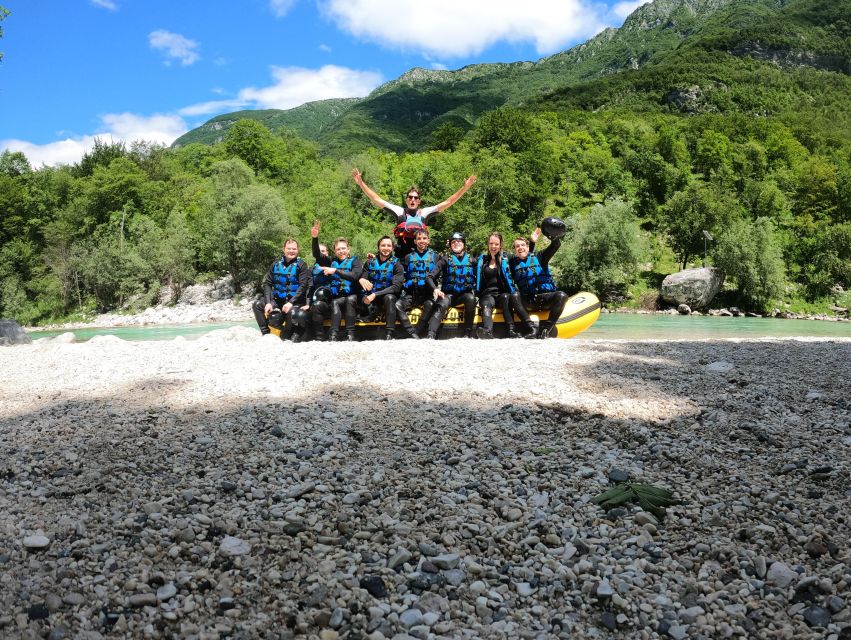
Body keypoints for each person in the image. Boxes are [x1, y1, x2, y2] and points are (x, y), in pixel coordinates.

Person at [351, 168, 477, 258]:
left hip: (420, 254)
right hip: (402, 255)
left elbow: (449, 201)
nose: (412, 200)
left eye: (415, 198)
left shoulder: (424, 213)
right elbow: (376, 199)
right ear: (406, 200)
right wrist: (361, 183)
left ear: (419, 201)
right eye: (410, 197)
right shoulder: (399, 211)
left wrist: (465, 187)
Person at [475, 232, 536, 339]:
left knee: (505, 297)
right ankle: (487, 330)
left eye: (496, 244)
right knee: (485, 304)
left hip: (502, 294)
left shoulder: (507, 258)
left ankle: (511, 330)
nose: (493, 246)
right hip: (487, 295)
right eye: (491, 243)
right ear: (488, 244)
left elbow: (523, 254)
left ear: (500, 245)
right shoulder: (482, 260)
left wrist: (532, 243)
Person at [510, 226, 568, 339]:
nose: (520, 248)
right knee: (513, 295)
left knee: (562, 295)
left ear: (528, 247)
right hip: (529, 301)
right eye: (517, 246)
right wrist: (531, 242)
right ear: (515, 250)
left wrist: (553, 236)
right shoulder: (512, 262)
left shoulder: (541, 257)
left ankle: (546, 329)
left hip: (546, 298)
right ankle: (530, 328)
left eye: (523, 245)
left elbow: (555, 246)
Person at [311, 222, 363, 341]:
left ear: (348, 249)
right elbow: (317, 255)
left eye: (343, 248)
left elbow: (355, 276)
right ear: (334, 251)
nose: (341, 251)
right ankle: (333, 334)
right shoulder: (331, 261)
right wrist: (315, 238)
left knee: (349, 299)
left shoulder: (355, 261)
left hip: (353, 296)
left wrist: (335, 271)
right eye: (338, 249)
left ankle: (350, 334)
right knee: (335, 302)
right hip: (336, 298)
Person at [252, 238, 311, 340]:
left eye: (294, 249)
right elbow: (268, 283)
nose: (291, 251)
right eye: (289, 248)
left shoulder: (301, 265)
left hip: (295, 301)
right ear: (283, 249)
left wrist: (291, 302)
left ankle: (286, 336)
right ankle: (266, 334)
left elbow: (303, 286)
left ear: (298, 250)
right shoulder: (275, 264)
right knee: (257, 305)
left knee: (291, 313)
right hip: (277, 299)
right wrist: (268, 302)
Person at [424, 231, 477, 339]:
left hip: (464, 296)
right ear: (450, 245)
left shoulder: (472, 260)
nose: (456, 243)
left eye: (459, 242)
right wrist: (435, 289)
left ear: (464, 245)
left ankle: (468, 332)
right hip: (448, 295)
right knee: (441, 304)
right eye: (453, 242)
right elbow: (429, 277)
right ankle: (431, 334)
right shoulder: (444, 260)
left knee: (471, 298)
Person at [359, 235, 404, 340]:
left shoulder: (397, 264)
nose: (386, 248)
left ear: (392, 248)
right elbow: (363, 278)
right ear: (378, 247)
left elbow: (396, 287)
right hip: (371, 296)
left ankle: (389, 332)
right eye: (383, 245)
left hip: (387, 296)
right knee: (360, 297)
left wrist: (375, 294)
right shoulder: (369, 262)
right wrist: (361, 279)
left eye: (389, 245)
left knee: (390, 297)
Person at [395, 229, 438, 339]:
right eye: (419, 239)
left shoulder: (435, 256)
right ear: (414, 241)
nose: (421, 241)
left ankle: (418, 330)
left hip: (427, 293)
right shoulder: (408, 257)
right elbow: (397, 268)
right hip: (411, 293)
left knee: (430, 304)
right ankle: (411, 332)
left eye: (424, 238)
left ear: (428, 241)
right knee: (398, 305)